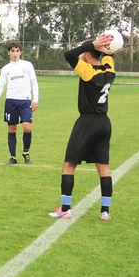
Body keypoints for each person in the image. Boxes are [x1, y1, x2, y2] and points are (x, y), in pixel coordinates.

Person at [48, 35, 115, 221]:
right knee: (104, 167)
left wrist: (92, 45)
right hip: (104, 122)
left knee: (69, 164)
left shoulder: (87, 71)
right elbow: (109, 55)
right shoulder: (109, 69)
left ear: (86, 55)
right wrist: (105, 47)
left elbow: (69, 54)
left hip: (87, 122)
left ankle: (66, 209)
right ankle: (105, 212)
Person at [0, 41, 39, 165]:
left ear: (20, 52)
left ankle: (26, 153)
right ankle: (13, 157)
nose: (15, 53)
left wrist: (35, 99)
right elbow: (1, 86)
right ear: (9, 53)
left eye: (17, 51)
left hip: (25, 101)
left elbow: (34, 82)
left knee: (27, 127)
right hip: (11, 101)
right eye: (12, 51)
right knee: (12, 128)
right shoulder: (5, 69)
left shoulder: (27, 65)